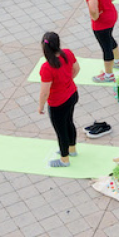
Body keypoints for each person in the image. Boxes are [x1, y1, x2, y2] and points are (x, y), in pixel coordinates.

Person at [38, 32, 81, 168]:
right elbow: (77, 69)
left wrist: (40, 106)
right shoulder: (67, 53)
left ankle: (64, 159)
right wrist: (67, 80)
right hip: (72, 94)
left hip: (58, 103)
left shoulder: (47, 67)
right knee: (69, 122)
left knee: (61, 131)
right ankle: (72, 150)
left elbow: (44, 92)